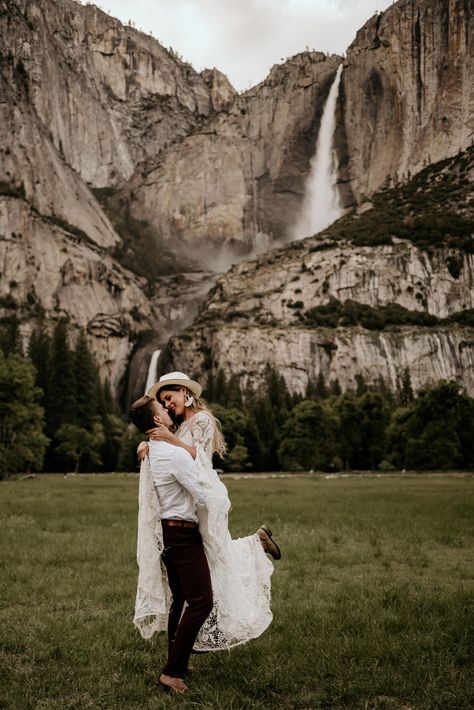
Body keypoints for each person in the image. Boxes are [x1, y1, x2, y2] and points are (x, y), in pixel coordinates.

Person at [134, 372, 280, 663]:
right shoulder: (178, 425)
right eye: (163, 402)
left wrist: (169, 439)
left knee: (217, 557)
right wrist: (147, 444)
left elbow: (197, 458)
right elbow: (167, 453)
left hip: (201, 492)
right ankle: (256, 540)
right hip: (188, 500)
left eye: (170, 397)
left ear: (185, 392)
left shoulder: (202, 420)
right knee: (213, 561)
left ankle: (256, 543)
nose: (168, 404)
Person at [130, 395, 212, 694]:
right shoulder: (174, 455)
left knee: (180, 597)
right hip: (182, 533)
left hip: (165, 531)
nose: (167, 410)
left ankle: (177, 661)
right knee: (202, 601)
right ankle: (172, 672)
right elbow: (202, 493)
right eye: (162, 408)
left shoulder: (152, 450)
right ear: (156, 421)